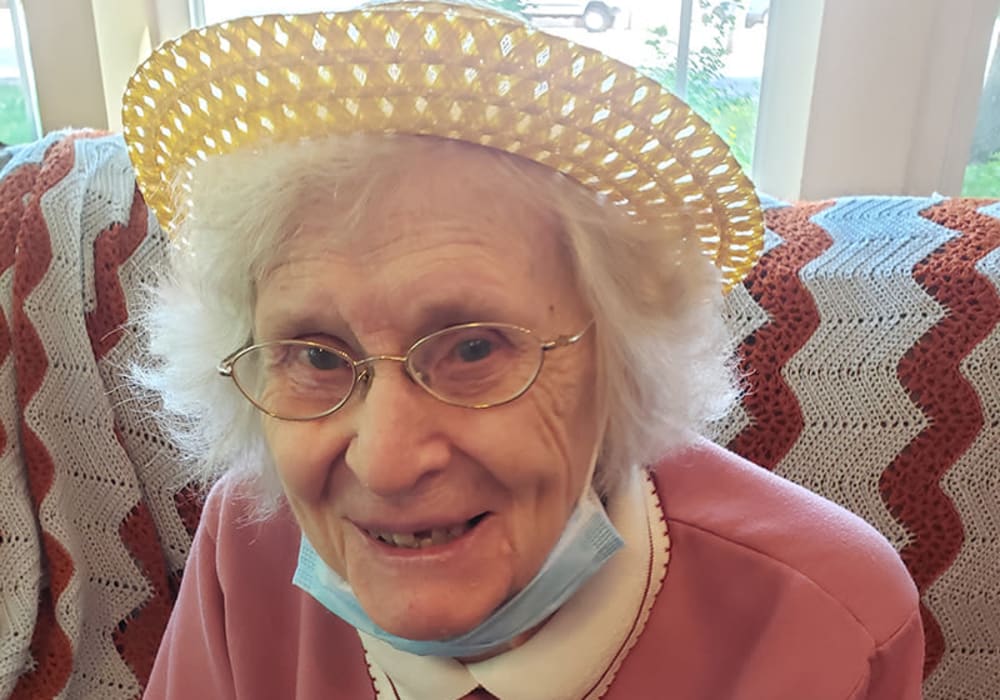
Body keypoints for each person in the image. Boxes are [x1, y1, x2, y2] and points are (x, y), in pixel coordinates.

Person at [123, 2, 925, 698]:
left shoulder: (826, 617)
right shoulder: (248, 536)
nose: (387, 462)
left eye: (473, 348)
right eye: (319, 358)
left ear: (618, 363)